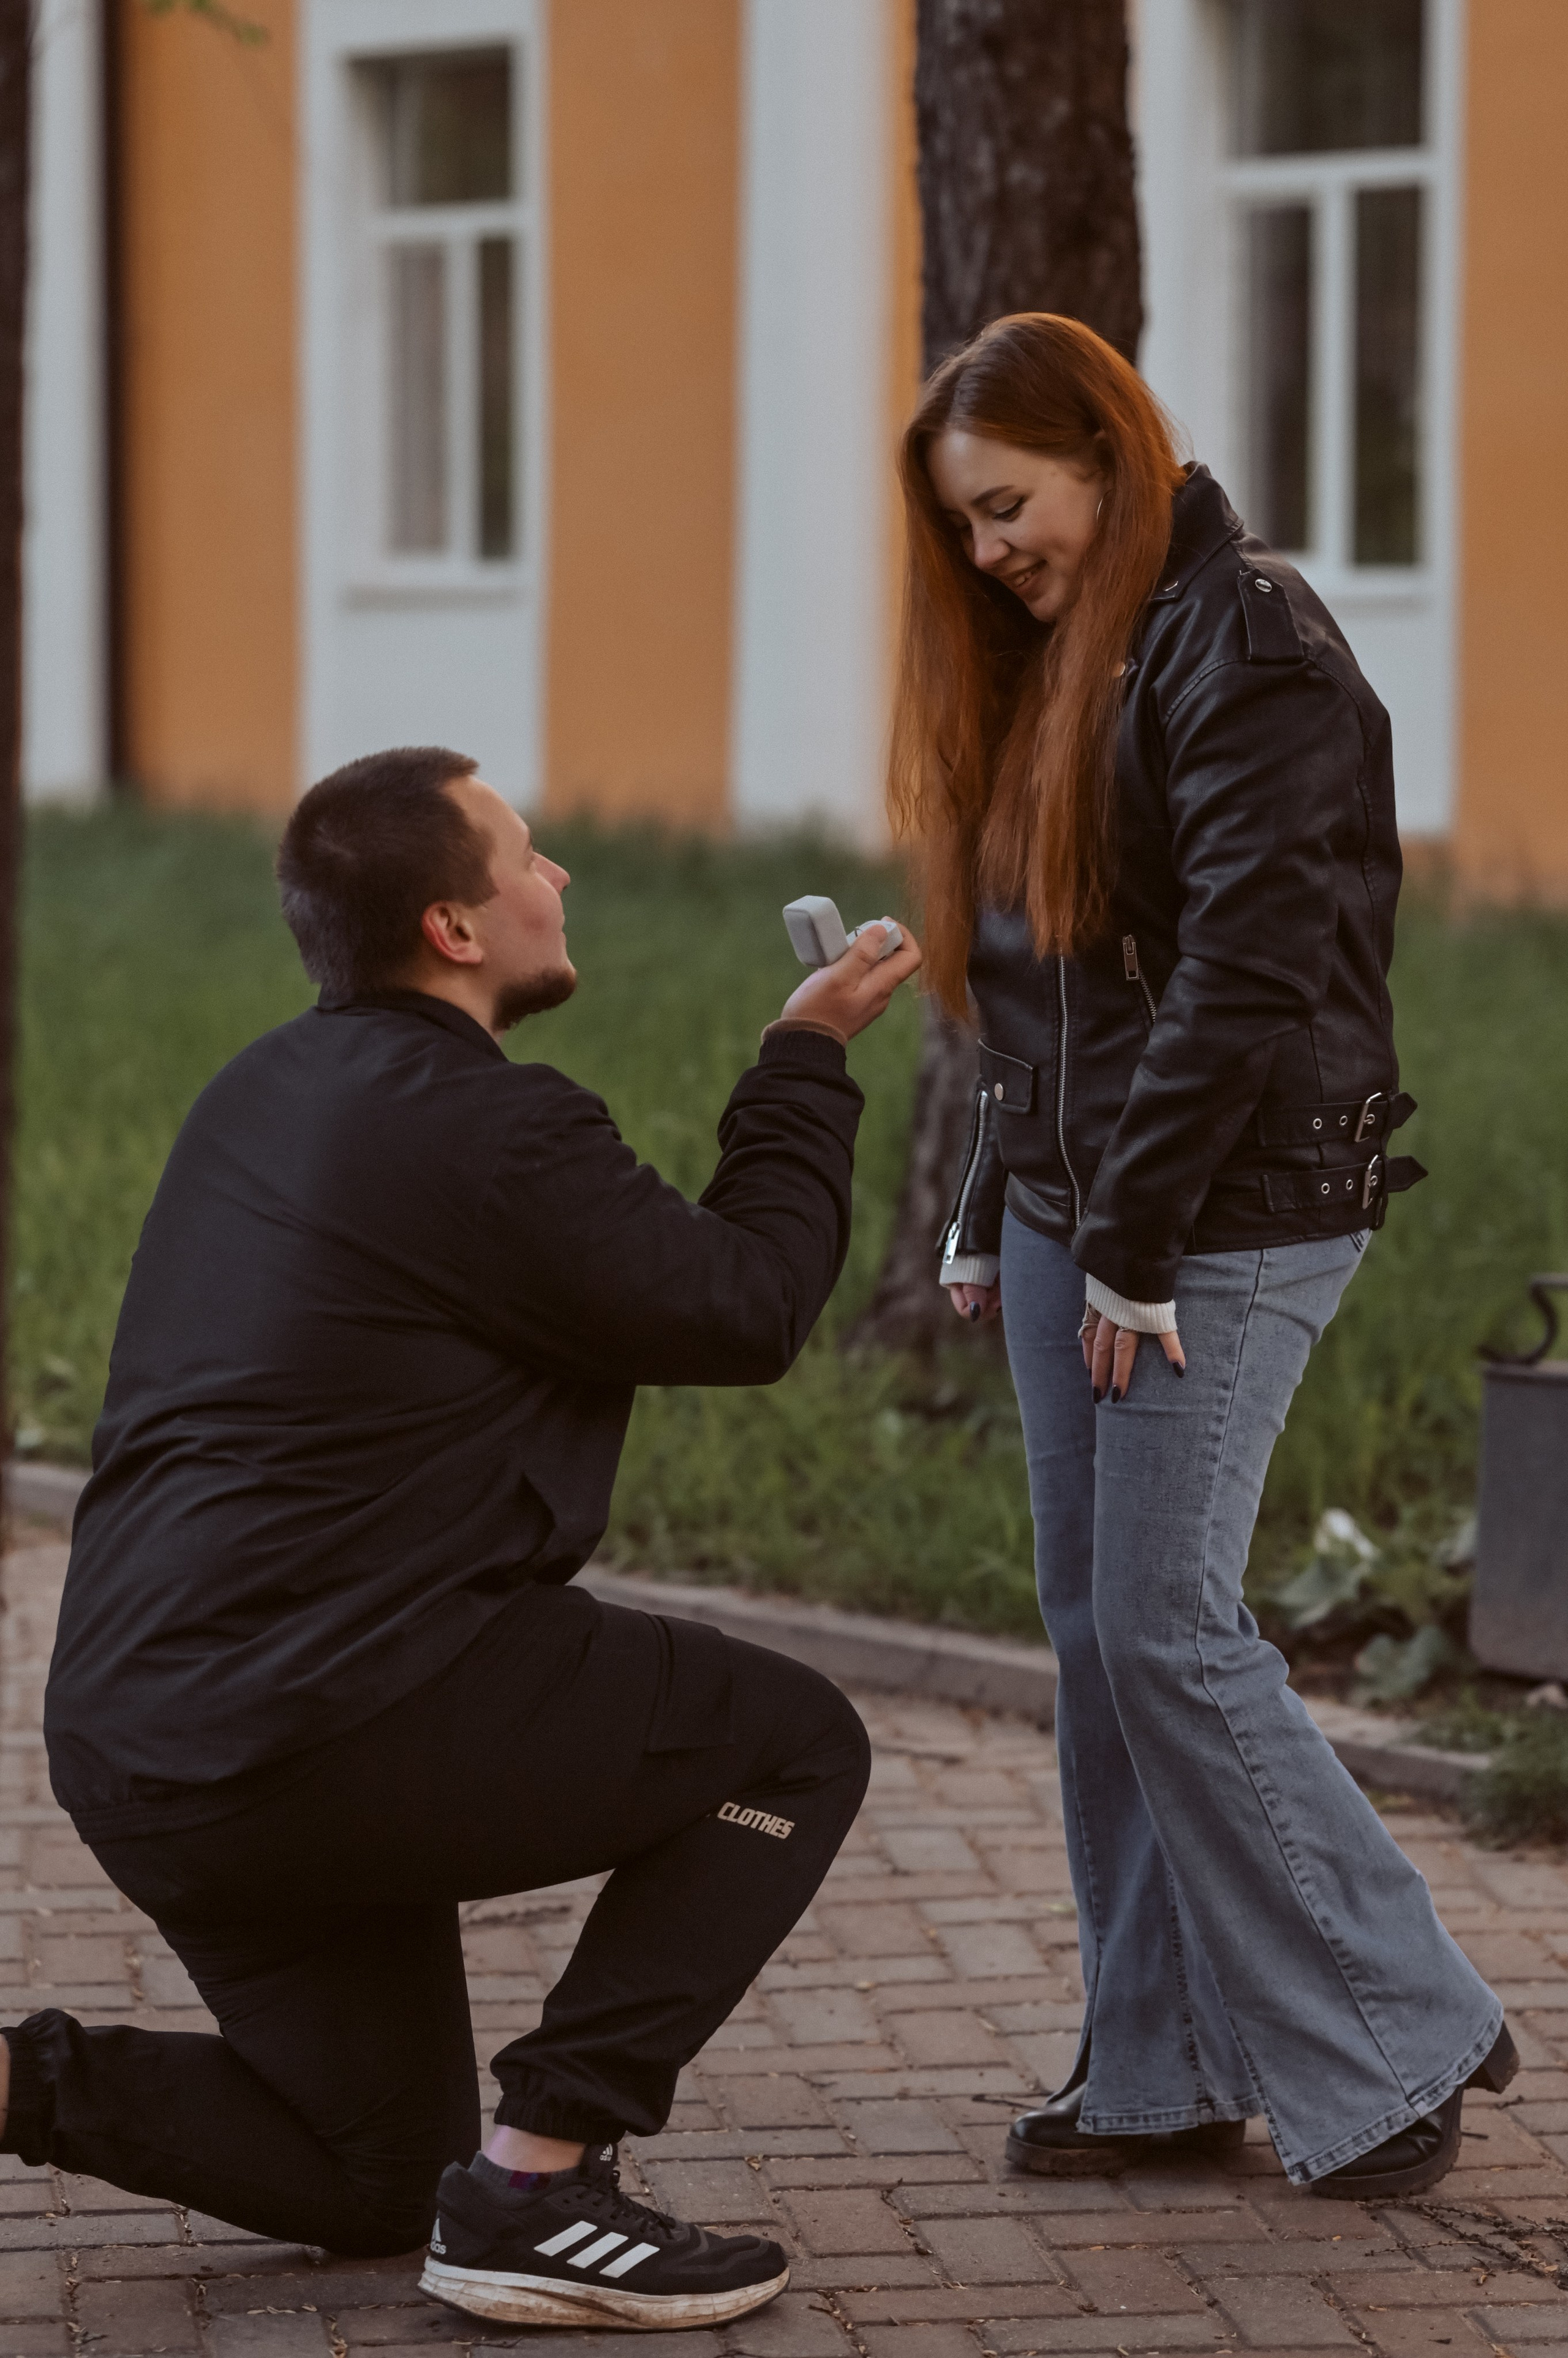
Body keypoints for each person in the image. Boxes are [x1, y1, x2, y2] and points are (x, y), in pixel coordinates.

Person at [5, 747, 922, 2333]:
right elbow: (747, 1304)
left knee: (371, 2166)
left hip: (138, 1735)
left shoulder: (260, 1092)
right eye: (527, 855)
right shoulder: (494, 1131)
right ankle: (543, 2175)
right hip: (323, 1715)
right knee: (787, 1744)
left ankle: (21, 2082)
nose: (557, 874)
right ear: (452, 924)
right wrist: (804, 1055)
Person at [896, 313, 1512, 2201]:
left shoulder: (1248, 639)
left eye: (1011, 506)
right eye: (965, 530)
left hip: (1226, 1215)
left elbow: (1247, 968)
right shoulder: (1065, 656)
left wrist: (1136, 1243)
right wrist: (1001, 1207)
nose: (991, 552)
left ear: (1107, 448)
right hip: (1092, 1210)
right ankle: (1159, 2065)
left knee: (1168, 1620)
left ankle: (1402, 2019)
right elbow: (1042, 984)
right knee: (1102, 1639)